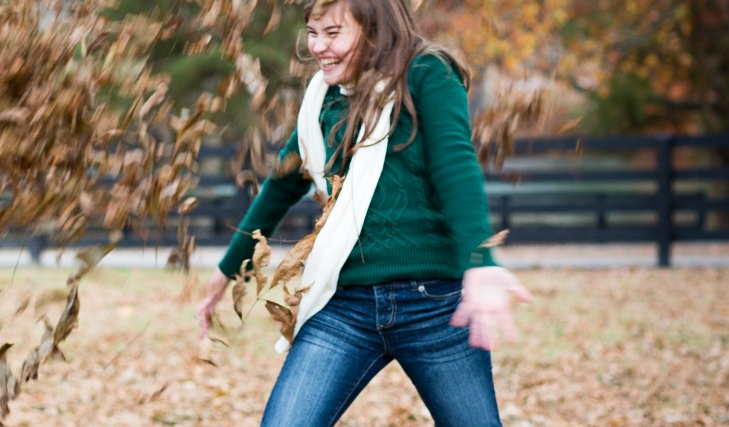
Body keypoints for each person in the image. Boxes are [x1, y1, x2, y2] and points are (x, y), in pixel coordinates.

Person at [194, 0, 533, 425]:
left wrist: (480, 262)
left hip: (436, 306)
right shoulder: (323, 100)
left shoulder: (427, 73)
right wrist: (228, 269)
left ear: (375, 29)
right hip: (345, 306)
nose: (318, 47)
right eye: (313, 33)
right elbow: (282, 183)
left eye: (333, 33)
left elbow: (455, 164)